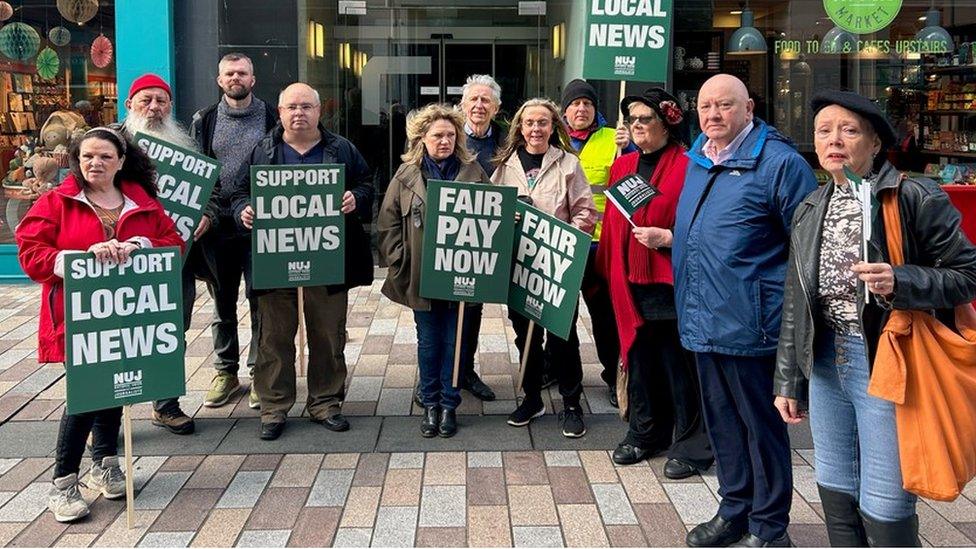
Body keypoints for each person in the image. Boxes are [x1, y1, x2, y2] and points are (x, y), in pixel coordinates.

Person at [773, 90, 976, 547]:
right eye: (824, 131)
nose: (834, 140)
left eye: (849, 130)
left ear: (875, 143)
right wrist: (788, 379)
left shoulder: (914, 195)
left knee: (885, 499)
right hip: (825, 362)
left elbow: (968, 273)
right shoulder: (810, 207)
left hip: (887, 361)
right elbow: (796, 299)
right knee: (835, 485)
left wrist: (901, 280)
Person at [672, 74, 818, 548]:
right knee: (723, 424)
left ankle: (770, 527)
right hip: (702, 319)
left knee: (762, 430)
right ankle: (734, 509)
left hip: (753, 324)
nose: (713, 115)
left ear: (749, 108)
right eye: (705, 106)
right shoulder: (699, 157)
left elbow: (805, 253)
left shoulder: (780, 164)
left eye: (725, 106)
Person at [16, 127, 184, 522]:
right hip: (79, 317)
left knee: (119, 386)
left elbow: (173, 244)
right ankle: (63, 482)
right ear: (77, 160)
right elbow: (31, 252)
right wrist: (79, 258)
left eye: (105, 157)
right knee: (87, 395)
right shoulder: (58, 201)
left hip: (130, 315)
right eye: (88, 156)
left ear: (121, 161)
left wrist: (139, 246)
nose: (96, 163)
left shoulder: (142, 202)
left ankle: (105, 462)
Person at [232, 83, 374, 441]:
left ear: (318, 111)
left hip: (326, 258)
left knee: (327, 335)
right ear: (279, 111)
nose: (299, 113)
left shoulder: (341, 148)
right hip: (274, 258)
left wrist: (355, 198)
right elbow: (235, 191)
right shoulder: (261, 149)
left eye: (306, 106)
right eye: (291, 107)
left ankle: (325, 402)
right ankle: (274, 407)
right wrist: (242, 210)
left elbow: (367, 183)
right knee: (273, 337)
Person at [597, 88, 713, 477]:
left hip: (673, 283)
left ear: (667, 122)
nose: (637, 126)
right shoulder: (622, 166)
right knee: (641, 361)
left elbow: (706, 225)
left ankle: (691, 443)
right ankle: (645, 433)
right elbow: (613, 226)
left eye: (645, 119)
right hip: (631, 284)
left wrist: (668, 237)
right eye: (632, 120)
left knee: (679, 366)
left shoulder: (690, 165)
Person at [379, 103, 490, 438]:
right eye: (437, 135)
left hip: (460, 275)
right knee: (429, 341)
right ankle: (430, 403)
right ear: (422, 138)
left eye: (450, 135)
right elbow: (387, 224)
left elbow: (489, 219)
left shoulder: (474, 172)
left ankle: (449, 404)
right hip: (421, 277)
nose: (444, 140)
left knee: (454, 341)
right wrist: (402, 260)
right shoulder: (406, 176)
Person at [492, 98, 597, 438]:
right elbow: (495, 208)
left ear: (554, 127)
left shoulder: (568, 163)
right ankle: (532, 398)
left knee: (562, 337)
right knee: (525, 337)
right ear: (519, 128)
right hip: (520, 264)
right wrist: (511, 215)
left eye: (543, 123)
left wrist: (565, 234)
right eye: (529, 123)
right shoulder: (505, 166)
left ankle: (571, 404)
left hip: (557, 267)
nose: (536, 129)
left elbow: (585, 211)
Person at [119, 73, 213, 435]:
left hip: (174, 260)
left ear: (171, 105)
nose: (154, 108)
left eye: (161, 100)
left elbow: (211, 189)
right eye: (146, 100)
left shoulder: (186, 147)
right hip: (120, 261)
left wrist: (208, 213)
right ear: (130, 105)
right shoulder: (110, 143)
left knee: (170, 332)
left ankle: (166, 404)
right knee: (120, 333)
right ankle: (111, 412)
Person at [190, 53, 278, 409]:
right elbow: (196, 169)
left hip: (259, 223)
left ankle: (259, 372)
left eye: (242, 72)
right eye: (229, 73)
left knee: (261, 300)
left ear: (253, 79)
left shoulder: (272, 116)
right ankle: (225, 371)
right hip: (217, 225)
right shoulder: (205, 119)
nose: (236, 78)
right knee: (222, 302)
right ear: (219, 79)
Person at [411, 74, 504, 408]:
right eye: (473, 100)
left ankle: (463, 373)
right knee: (433, 328)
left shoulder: (508, 142)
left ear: (496, 107)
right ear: (462, 106)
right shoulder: (437, 145)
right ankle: (433, 381)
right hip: (431, 256)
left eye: (485, 101)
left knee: (469, 318)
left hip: (476, 251)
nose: (479, 106)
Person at [562, 79, 634, 407]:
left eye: (587, 104)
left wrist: (631, 147)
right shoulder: (554, 137)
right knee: (560, 318)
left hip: (600, 246)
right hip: (563, 244)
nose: (581, 109)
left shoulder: (613, 138)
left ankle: (612, 374)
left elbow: (632, 178)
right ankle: (560, 373)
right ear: (564, 110)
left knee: (605, 318)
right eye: (575, 104)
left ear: (595, 109)